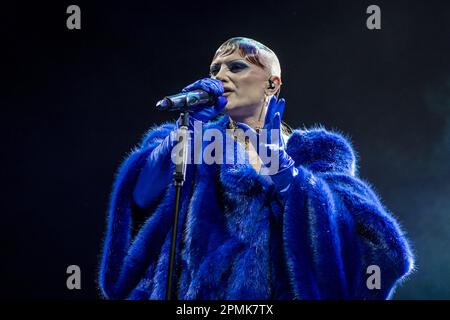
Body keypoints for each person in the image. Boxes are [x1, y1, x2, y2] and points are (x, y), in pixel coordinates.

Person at [98, 37, 414, 300]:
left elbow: (380, 246)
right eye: (215, 68)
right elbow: (139, 198)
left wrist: (288, 176)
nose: (220, 76)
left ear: (272, 84)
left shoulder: (316, 153)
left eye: (236, 66)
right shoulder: (188, 141)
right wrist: (187, 134)